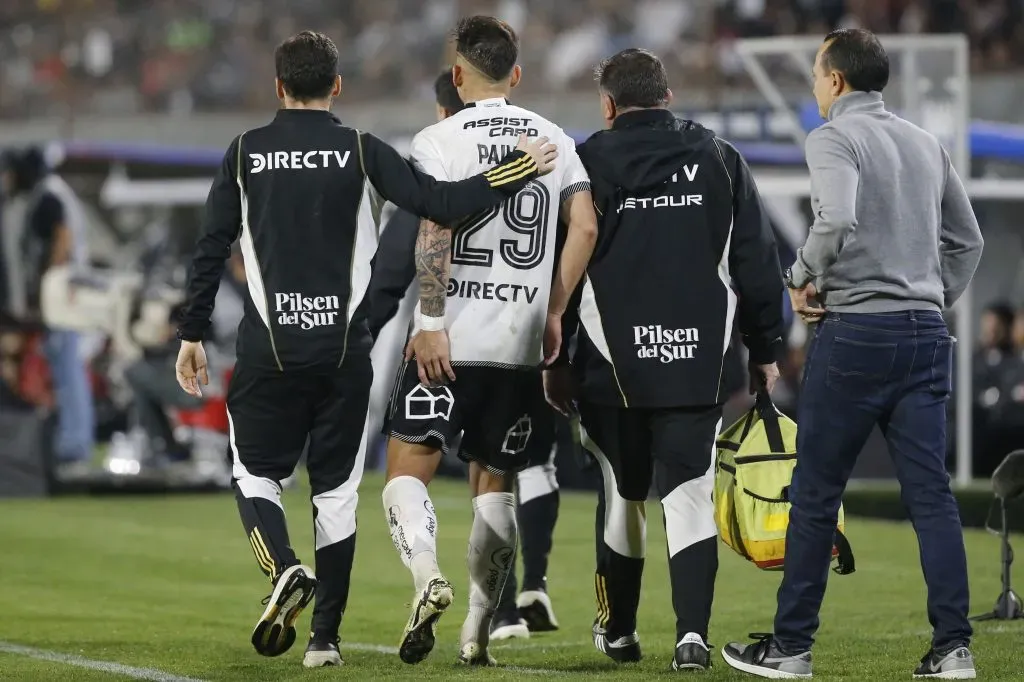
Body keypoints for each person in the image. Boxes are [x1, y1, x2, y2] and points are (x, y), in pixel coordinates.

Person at [173, 30, 557, 669]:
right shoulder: (360, 149)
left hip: (270, 352)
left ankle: (285, 572)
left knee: (255, 475)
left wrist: (191, 332)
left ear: (277, 87)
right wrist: (519, 166)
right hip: (344, 353)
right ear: (338, 87)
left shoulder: (244, 153)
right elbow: (441, 205)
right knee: (337, 494)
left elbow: (211, 247)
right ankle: (324, 641)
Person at [721, 29, 984, 680]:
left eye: (816, 73)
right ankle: (954, 649)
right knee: (932, 498)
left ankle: (791, 650)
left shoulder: (833, 136)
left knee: (813, 496)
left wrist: (799, 275)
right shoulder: (926, 143)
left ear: (836, 81)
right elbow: (968, 241)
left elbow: (835, 221)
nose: (814, 86)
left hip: (858, 334)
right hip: (926, 333)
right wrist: (926, 295)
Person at [545, 47, 785, 671]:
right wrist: (766, 350)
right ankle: (692, 638)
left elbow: (564, 264)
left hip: (609, 364)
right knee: (689, 493)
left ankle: (619, 632)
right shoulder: (721, 158)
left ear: (608, 105)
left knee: (622, 496)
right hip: (697, 362)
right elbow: (757, 265)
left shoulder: (586, 160)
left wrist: (555, 355)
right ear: (668, 97)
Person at [380, 16, 597, 667]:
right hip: (517, 346)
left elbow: (435, 226)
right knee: (494, 486)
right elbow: (583, 226)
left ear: (457, 74)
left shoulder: (439, 138)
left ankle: (426, 577)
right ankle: (478, 632)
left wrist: (429, 320)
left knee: (406, 467)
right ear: (517, 75)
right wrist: (553, 309)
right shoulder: (554, 138)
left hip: (447, 338)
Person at [1, 147, 95, 479]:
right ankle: (70, 442)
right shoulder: (49, 193)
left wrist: (49, 284)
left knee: (68, 369)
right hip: (63, 293)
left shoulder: (49, 195)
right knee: (63, 369)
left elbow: (62, 239)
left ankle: (75, 446)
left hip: (63, 295)